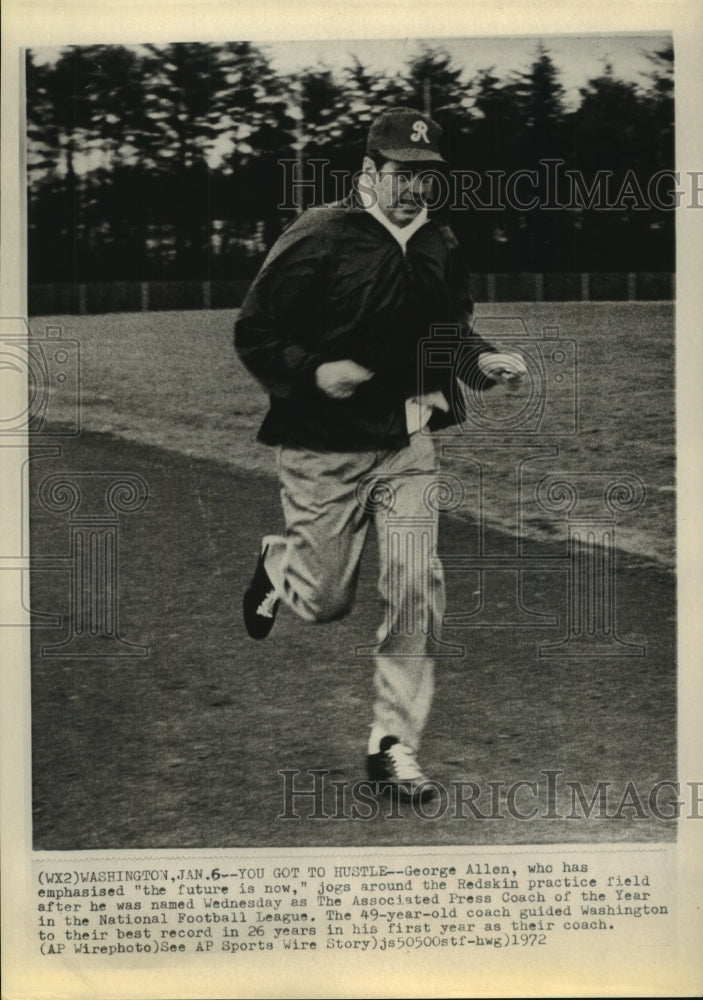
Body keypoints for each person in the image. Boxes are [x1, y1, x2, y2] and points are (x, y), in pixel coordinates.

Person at [234, 107, 526, 802]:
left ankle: (392, 743)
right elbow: (255, 330)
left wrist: (482, 362)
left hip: (406, 443)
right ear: (368, 171)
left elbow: (450, 330)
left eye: (429, 177)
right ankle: (282, 566)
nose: (416, 190)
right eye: (403, 175)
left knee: (415, 583)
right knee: (325, 600)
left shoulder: (439, 243)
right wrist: (312, 371)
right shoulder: (318, 236)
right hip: (322, 447)